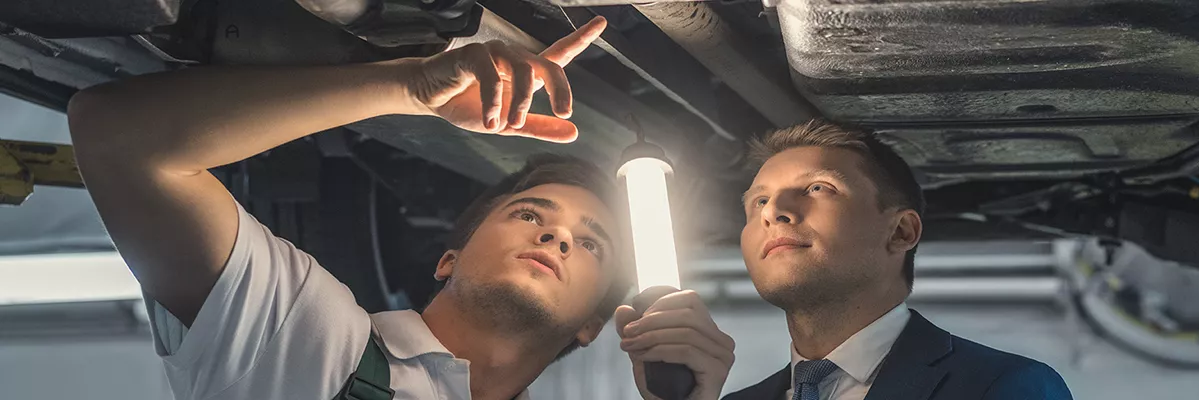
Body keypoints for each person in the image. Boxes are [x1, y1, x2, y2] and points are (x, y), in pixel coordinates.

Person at [67, 16, 735, 400]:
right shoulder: (304, 334)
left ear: (594, 324)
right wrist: (408, 87)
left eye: (591, 244)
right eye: (530, 213)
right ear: (449, 259)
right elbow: (118, 137)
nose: (558, 236)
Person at [619, 120, 1072, 400]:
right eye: (757, 202)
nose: (774, 212)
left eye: (818, 188)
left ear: (901, 231)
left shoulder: (1007, 388)